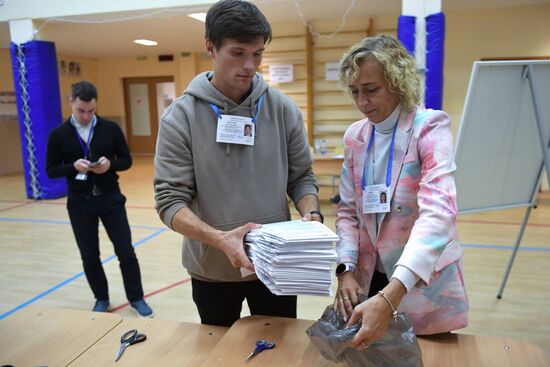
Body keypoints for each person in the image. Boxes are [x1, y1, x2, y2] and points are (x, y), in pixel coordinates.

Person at [154, 0, 321, 327]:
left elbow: (302, 178)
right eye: (238, 52)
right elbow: (170, 202)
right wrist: (219, 239)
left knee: (278, 351)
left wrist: (311, 214)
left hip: (276, 265)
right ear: (211, 48)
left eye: (257, 54)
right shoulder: (181, 117)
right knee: (219, 354)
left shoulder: (283, 109)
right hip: (212, 271)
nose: (250, 65)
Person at [334, 35, 468, 349]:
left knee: (428, 355)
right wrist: (345, 269)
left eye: (371, 90)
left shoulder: (429, 127)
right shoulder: (355, 136)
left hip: (422, 282)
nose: (362, 102)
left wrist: (393, 292)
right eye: (355, 92)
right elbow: (347, 214)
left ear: (397, 81)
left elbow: (439, 213)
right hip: (370, 278)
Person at [46, 81, 153, 317]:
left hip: (111, 199)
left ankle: (136, 298)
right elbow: (51, 170)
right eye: (81, 110)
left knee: (125, 251)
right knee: (89, 255)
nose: (86, 116)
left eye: (91, 111)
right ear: (71, 102)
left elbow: (126, 160)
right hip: (80, 203)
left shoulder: (110, 128)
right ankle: (101, 298)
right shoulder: (59, 134)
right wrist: (73, 167)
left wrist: (109, 165)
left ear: (96, 105)